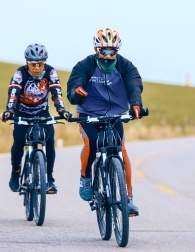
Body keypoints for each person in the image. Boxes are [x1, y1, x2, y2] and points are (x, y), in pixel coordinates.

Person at [66, 27, 143, 216]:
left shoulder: (125, 66)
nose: (108, 56)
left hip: (115, 114)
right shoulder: (85, 65)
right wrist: (77, 93)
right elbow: (75, 83)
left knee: (122, 149)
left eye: (113, 52)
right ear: (96, 50)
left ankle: (128, 198)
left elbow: (134, 84)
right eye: (104, 51)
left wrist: (136, 104)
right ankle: (85, 177)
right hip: (89, 113)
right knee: (91, 144)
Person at [0, 43, 70, 194]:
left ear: (45, 62)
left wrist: (61, 110)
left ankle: (49, 179)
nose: (37, 67)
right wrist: (9, 111)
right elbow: (13, 93)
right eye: (33, 64)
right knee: (19, 141)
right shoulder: (20, 73)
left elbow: (56, 92)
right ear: (27, 62)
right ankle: (15, 172)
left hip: (42, 113)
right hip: (22, 113)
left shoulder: (50, 72)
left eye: (40, 64)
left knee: (50, 141)